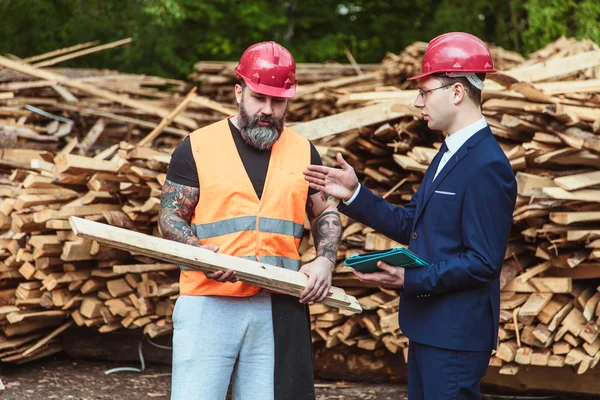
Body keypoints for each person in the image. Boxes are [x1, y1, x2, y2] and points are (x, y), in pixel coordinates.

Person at [304, 32, 517, 400]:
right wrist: (354, 193)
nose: (418, 102)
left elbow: (483, 262)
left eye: (425, 91)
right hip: (430, 331)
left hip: (455, 338)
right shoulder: (449, 153)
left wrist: (409, 277)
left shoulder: (487, 165)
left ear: (456, 92)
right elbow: (410, 223)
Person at [160, 41, 342, 400]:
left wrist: (325, 260)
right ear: (239, 91)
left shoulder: (304, 151)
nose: (268, 110)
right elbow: (169, 217)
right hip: (208, 301)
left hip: (277, 305)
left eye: (278, 101)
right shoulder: (196, 146)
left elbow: (326, 212)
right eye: (260, 98)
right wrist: (199, 252)